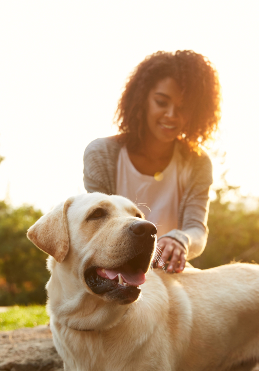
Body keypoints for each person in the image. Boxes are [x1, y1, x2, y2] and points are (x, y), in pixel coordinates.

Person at [83, 50, 221, 274]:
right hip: (116, 270)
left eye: (183, 107)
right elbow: (98, 223)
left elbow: (196, 230)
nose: (171, 115)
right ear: (143, 99)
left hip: (169, 273)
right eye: (161, 102)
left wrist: (180, 240)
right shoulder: (101, 154)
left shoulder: (198, 162)